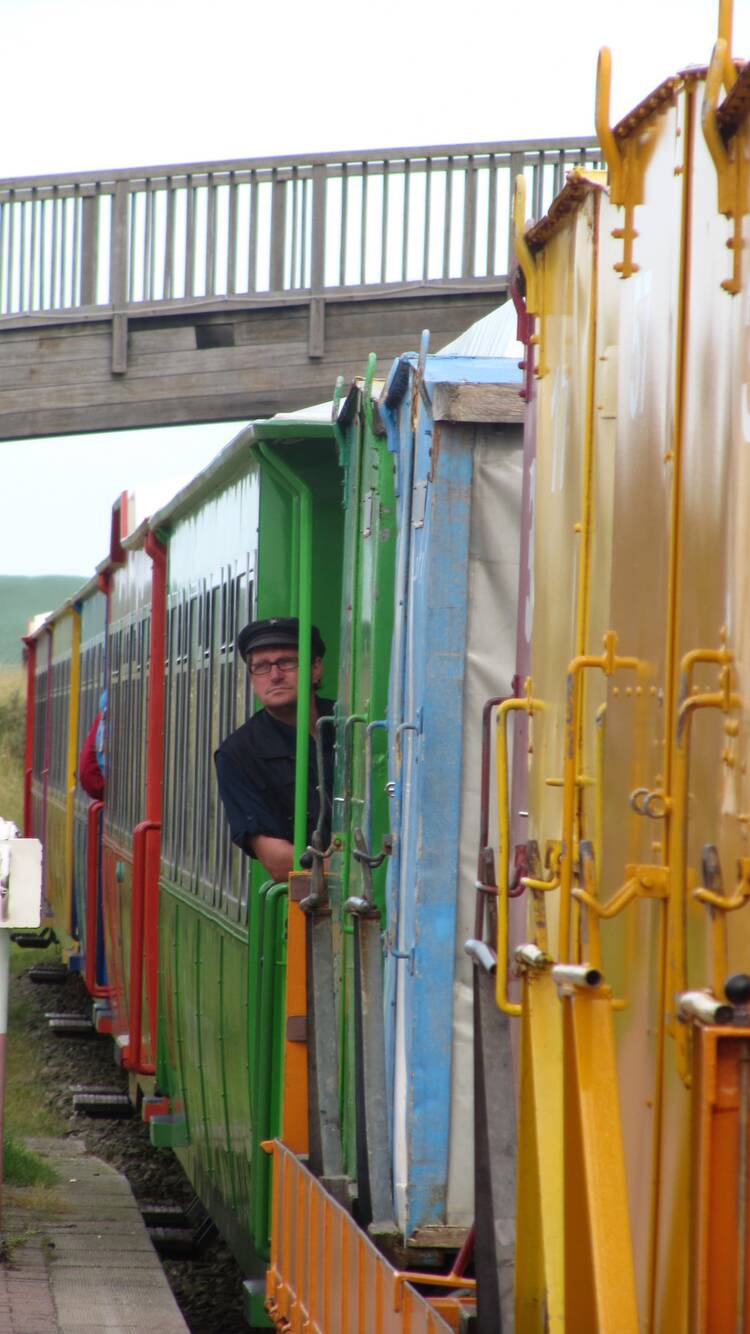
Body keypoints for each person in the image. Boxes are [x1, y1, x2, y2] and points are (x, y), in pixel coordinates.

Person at [214, 617, 335, 883]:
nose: (275, 675)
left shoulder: (350, 726)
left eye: (287, 662)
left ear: (315, 669)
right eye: (261, 667)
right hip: (309, 909)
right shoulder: (237, 754)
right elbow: (280, 863)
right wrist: (349, 867)